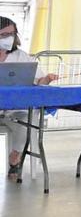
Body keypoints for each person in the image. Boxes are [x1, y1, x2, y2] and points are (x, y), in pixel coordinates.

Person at [0, 17, 56, 180]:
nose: (9, 38)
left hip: (14, 110)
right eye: (4, 35)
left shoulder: (21, 56)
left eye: (12, 33)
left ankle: (15, 158)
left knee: (28, 119)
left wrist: (47, 79)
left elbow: (38, 80)